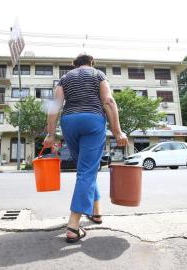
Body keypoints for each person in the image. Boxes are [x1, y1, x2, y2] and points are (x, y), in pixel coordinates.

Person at [43, 53, 128, 243]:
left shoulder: (65, 78)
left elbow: (55, 106)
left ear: (75, 65)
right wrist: (118, 131)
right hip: (92, 120)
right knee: (87, 171)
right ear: (91, 63)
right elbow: (108, 101)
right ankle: (73, 225)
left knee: (87, 169)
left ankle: (96, 212)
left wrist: (50, 134)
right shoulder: (98, 75)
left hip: (69, 122)